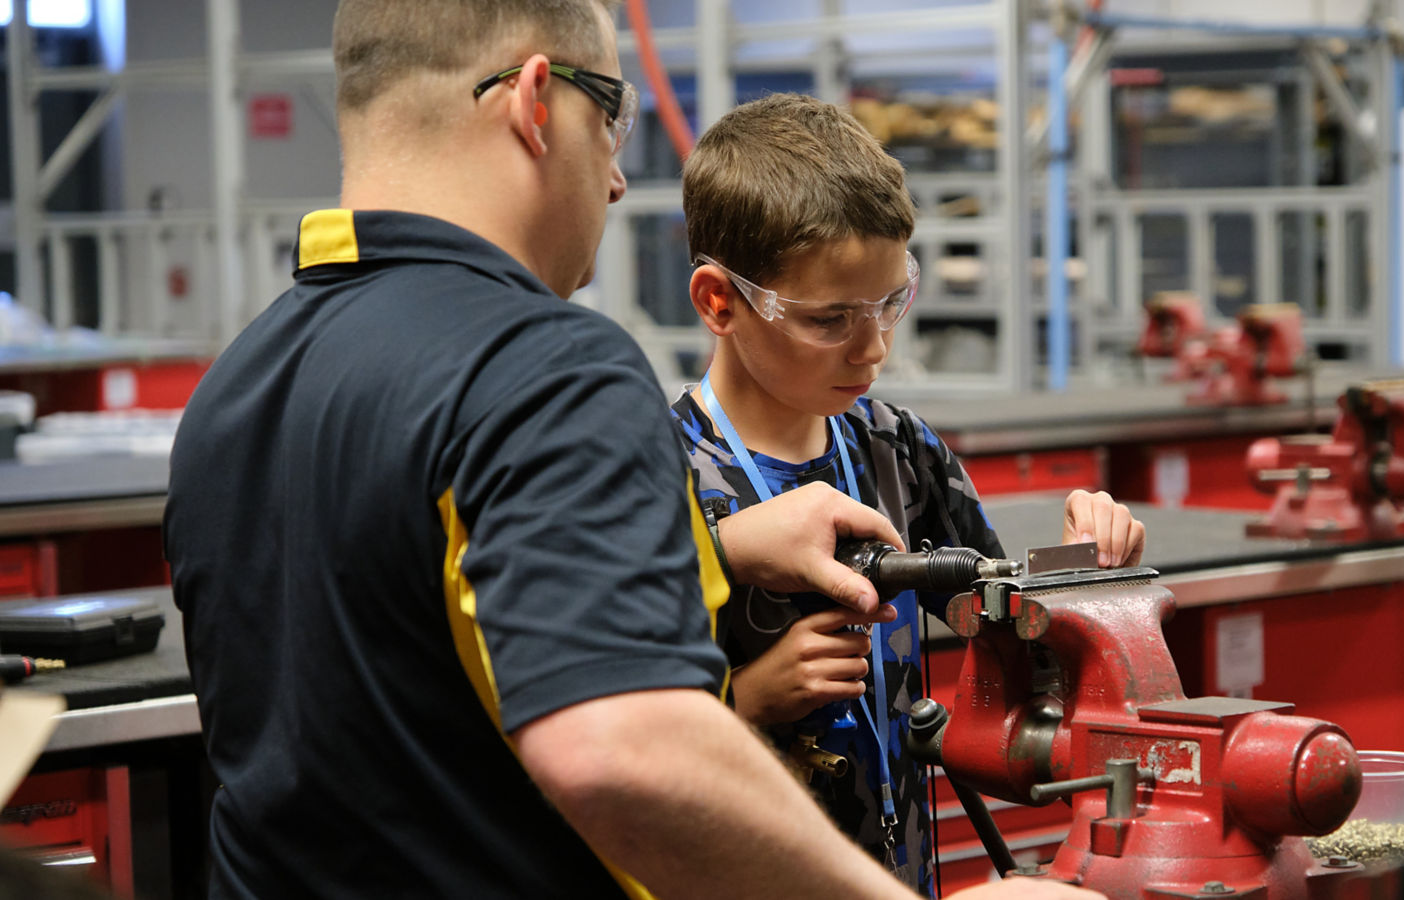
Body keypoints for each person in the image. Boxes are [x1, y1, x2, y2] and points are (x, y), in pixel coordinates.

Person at [163, 1, 1101, 899]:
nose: (616, 179)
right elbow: (624, 756)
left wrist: (723, 548)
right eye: (610, 116)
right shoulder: (540, 368)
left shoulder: (236, 388)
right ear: (535, 101)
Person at [672, 93, 1147, 895]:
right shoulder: (660, 474)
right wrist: (746, 699)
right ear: (720, 301)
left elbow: (1018, 654)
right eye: (831, 320)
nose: (875, 348)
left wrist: (1079, 575)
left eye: (891, 303)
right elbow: (603, 738)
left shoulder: (898, 449)